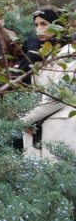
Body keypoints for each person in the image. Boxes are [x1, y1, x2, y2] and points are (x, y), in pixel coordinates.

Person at [23, 8, 76, 159]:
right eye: (36, 25)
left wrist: (25, 119)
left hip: (59, 125)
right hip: (35, 127)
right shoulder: (41, 55)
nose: (38, 29)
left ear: (58, 26)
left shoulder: (69, 55)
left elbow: (59, 95)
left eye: (44, 24)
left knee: (57, 170)